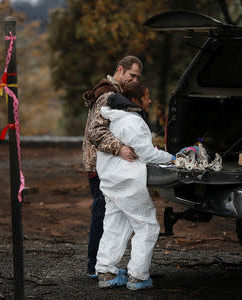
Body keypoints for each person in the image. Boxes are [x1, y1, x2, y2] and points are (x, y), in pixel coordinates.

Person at [95, 82, 175, 290]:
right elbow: (147, 154)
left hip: (110, 181)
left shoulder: (115, 119)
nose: (149, 101)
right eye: (146, 97)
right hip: (127, 182)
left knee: (115, 225)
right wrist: (172, 158)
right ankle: (138, 276)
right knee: (147, 226)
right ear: (136, 100)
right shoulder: (133, 122)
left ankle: (105, 272)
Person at [82, 56, 142, 278]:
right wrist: (121, 149)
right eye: (131, 75)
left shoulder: (112, 93)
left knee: (106, 212)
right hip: (100, 164)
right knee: (102, 212)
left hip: (103, 163)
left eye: (138, 77)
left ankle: (100, 264)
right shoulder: (108, 95)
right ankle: (94, 266)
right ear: (120, 70)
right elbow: (95, 132)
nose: (134, 79)